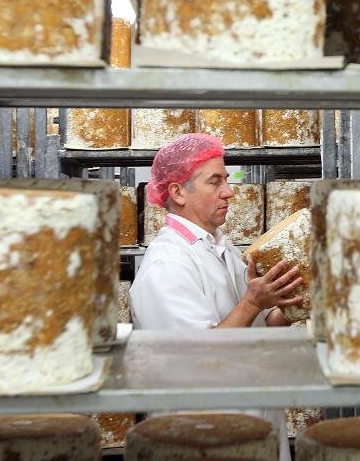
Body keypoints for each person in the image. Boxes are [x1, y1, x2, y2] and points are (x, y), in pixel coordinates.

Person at [129, 133, 301, 460]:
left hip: (254, 426)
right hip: (205, 439)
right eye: (215, 181)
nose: (229, 191)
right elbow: (197, 360)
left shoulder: (221, 248)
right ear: (178, 192)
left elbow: (258, 327)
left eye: (226, 179)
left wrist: (293, 303)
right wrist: (252, 302)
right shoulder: (168, 265)